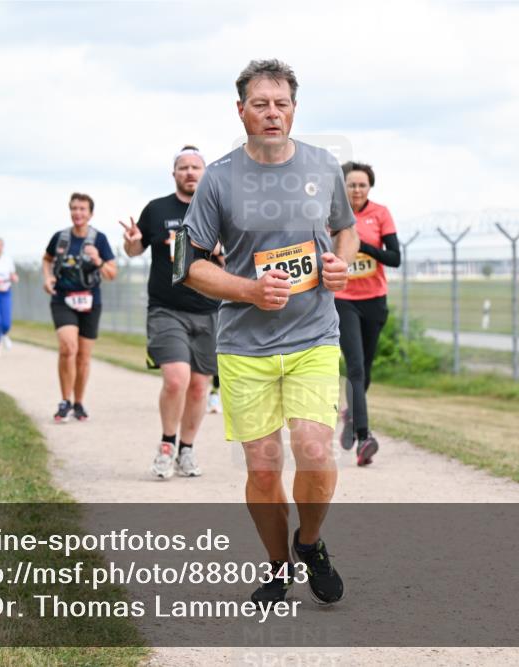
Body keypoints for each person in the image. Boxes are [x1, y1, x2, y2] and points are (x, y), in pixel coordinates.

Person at [178, 60, 359, 606]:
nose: (272, 113)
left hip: (313, 338)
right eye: (261, 104)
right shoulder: (219, 178)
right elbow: (190, 267)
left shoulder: (323, 166)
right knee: (262, 469)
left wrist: (340, 266)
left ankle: (310, 542)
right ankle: (279, 568)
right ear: (242, 111)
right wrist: (249, 290)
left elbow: (345, 232)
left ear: (294, 109)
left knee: (314, 449)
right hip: (245, 345)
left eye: (281, 103)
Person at [120, 145, 219, 480]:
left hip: (209, 310)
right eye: (183, 167)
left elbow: (235, 256)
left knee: (199, 387)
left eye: (195, 167)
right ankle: (166, 445)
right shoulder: (157, 209)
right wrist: (132, 241)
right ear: (174, 174)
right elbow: (135, 249)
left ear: (205, 173)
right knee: (177, 379)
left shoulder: (218, 210)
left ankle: (186, 450)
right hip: (167, 309)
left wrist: (221, 249)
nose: (189, 172)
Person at [334, 161, 401, 466]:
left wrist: (365, 247)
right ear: (342, 186)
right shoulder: (332, 215)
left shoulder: (380, 214)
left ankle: (350, 412)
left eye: (362, 185)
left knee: (366, 373)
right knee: (356, 368)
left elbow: (394, 258)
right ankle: (365, 438)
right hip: (343, 299)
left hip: (374, 300)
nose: (357, 190)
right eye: (351, 184)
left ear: (369, 187)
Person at [42, 193, 118, 422]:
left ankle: (78, 402)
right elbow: (46, 259)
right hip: (62, 299)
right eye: (74, 208)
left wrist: (97, 260)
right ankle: (64, 401)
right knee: (68, 347)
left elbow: (112, 273)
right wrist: (47, 278)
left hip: (90, 302)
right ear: (70, 211)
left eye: (83, 209)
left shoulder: (99, 240)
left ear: (90, 214)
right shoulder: (60, 237)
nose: (78, 213)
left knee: (83, 356)